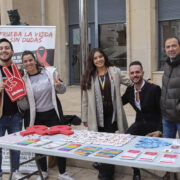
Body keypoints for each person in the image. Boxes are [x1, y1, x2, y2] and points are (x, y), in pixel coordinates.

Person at [18, 50, 74, 180]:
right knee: (38, 145)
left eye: (30, 60)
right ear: (23, 64)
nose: (28, 63)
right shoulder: (23, 80)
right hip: (36, 117)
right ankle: (42, 171)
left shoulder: (49, 73)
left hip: (53, 114)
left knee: (60, 143)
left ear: (35, 60)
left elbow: (63, 90)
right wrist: (20, 99)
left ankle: (63, 173)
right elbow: (24, 107)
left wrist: (59, 85)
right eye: (25, 61)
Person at [81, 48, 132, 180]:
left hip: (111, 114)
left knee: (109, 144)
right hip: (96, 115)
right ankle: (104, 169)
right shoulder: (89, 76)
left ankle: (107, 174)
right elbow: (85, 99)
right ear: (92, 61)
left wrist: (145, 81)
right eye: (95, 58)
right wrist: (85, 117)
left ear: (104, 57)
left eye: (100, 57)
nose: (99, 60)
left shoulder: (114, 71)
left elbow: (130, 81)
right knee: (98, 144)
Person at [122, 61, 162, 180]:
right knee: (125, 140)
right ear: (129, 75)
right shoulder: (129, 90)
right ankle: (136, 172)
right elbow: (118, 102)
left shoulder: (154, 89)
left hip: (154, 124)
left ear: (143, 73)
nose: (135, 75)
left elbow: (162, 112)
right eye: (132, 73)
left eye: (137, 72)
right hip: (139, 123)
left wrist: (160, 130)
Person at [0, 38, 24, 180]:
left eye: (7, 47)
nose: (4, 50)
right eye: (1, 48)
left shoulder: (18, 70)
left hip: (16, 115)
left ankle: (15, 172)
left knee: (16, 146)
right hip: (0, 116)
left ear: (12, 51)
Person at [161, 36, 180, 180]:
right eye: (168, 47)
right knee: (168, 149)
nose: (171, 49)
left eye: (174, 46)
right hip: (167, 117)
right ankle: (170, 174)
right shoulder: (167, 65)